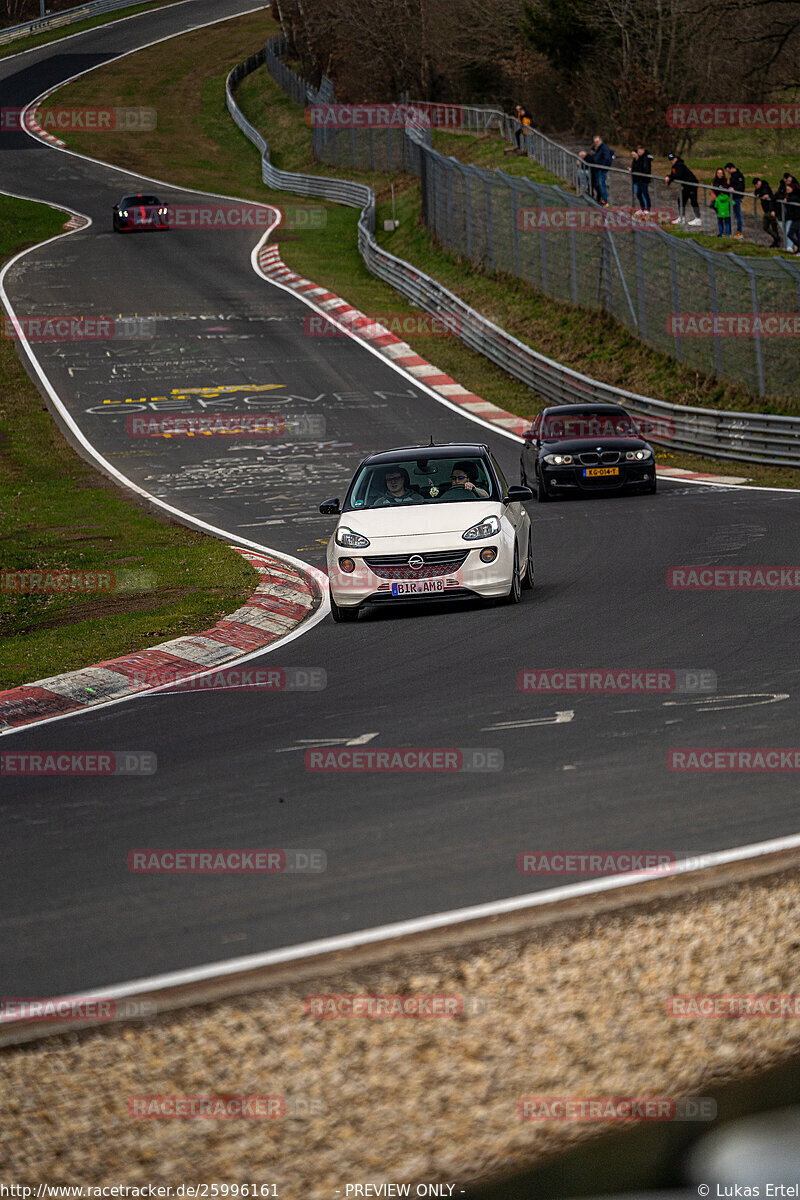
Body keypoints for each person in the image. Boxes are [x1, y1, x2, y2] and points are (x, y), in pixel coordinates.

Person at [665, 153, 703, 225]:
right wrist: (669, 177)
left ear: (676, 158)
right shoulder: (674, 166)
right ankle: (682, 218)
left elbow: (678, 175)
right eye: (670, 160)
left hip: (691, 184)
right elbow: (673, 174)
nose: (672, 161)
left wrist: (670, 178)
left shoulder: (680, 165)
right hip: (686, 186)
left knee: (693, 201)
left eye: (673, 159)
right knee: (681, 200)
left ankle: (698, 218)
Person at [752, 177, 782, 248]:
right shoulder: (759, 189)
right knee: (765, 227)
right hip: (766, 210)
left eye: (756, 185)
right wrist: (759, 194)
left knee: (773, 226)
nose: (756, 186)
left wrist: (761, 194)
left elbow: (765, 193)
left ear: (759, 183)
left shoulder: (765, 186)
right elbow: (757, 192)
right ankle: (777, 238)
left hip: (771, 210)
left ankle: (777, 240)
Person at [590, 135, 614, 205]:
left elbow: (607, 159)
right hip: (597, 169)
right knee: (598, 185)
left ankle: (604, 201)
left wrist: (602, 166)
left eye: (597, 142)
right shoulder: (598, 148)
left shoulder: (604, 148)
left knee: (602, 185)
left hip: (601, 169)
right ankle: (600, 199)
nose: (596, 143)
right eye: (595, 142)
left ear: (601, 141)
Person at [724, 161, 746, 238]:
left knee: (738, 215)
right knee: (729, 214)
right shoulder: (732, 176)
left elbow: (741, 187)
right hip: (731, 198)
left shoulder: (739, 176)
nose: (728, 172)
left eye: (728, 171)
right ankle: (728, 231)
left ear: (731, 168)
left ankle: (739, 232)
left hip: (737, 198)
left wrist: (734, 189)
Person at [629, 146, 653, 213]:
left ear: (643, 150)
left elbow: (645, 169)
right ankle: (642, 208)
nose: (639, 153)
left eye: (640, 152)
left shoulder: (646, 158)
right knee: (638, 194)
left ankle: (647, 210)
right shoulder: (637, 158)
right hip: (638, 179)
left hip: (644, 179)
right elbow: (635, 167)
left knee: (645, 194)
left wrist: (638, 161)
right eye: (638, 152)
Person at [779, 179, 800, 253]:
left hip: (797, 218)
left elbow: (796, 199)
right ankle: (798, 250)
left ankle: (798, 247)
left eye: (788, 189)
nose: (787, 190)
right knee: (797, 234)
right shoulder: (788, 195)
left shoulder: (795, 195)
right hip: (794, 217)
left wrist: (788, 199)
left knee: (790, 233)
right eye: (786, 189)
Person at [711, 169, 732, 237]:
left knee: (726, 220)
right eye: (718, 173)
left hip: (725, 203)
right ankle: (722, 233)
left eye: (721, 173)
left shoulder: (726, 181)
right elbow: (712, 191)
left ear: (723, 174)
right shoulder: (714, 182)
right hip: (719, 202)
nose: (719, 174)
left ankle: (727, 233)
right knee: (720, 219)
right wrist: (716, 199)